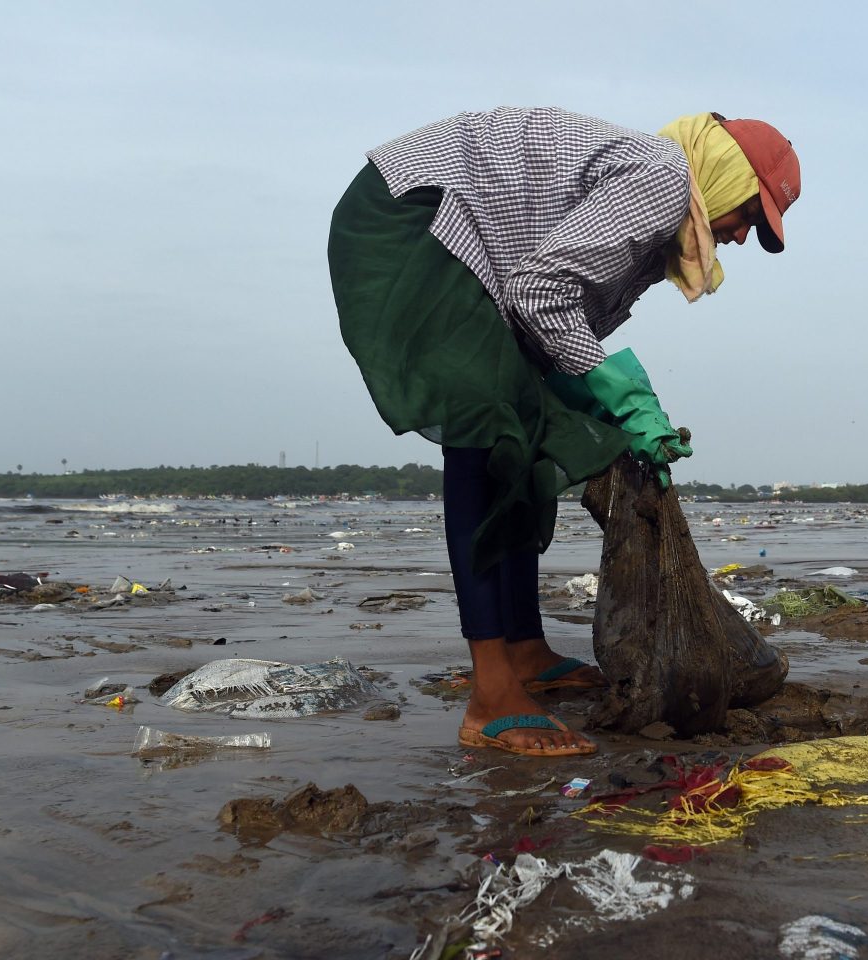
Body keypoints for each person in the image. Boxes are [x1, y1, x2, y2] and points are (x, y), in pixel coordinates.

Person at [328, 107, 801, 756]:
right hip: (419, 215)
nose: (743, 238)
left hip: (456, 240)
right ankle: (492, 694)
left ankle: (523, 650)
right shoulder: (662, 181)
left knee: (521, 421)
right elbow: (540, 295)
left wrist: (597, 394)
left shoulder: (652, 213)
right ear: (722, 173)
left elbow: (546, 326)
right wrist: (618, 391)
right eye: (749, 216)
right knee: (486, 427)